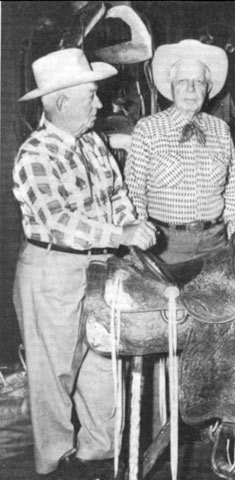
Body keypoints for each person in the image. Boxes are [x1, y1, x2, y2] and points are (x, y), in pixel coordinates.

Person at [12, 48, 156, 480]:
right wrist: (120, 234)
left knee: (101, 360)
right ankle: (53, 464)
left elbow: (116, 195)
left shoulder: (93, 143)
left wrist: (132, 222)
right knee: (53, 372)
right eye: (91, 95)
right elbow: (57, 222)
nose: (100, 104)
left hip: (99, 268)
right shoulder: (35, 154)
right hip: (52, 268)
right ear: (60, 102)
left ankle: (100, 453)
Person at [123, 39, 235, 264]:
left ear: (208, 88)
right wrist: (140, 243)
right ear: (171, 86)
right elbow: (134, 192)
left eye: (198, 81)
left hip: (215, 243)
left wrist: (234, 237)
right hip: (165, 244)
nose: (190, 89)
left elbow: (234, 191)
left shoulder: (221, 129)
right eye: (182, 81)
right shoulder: (148, 129)